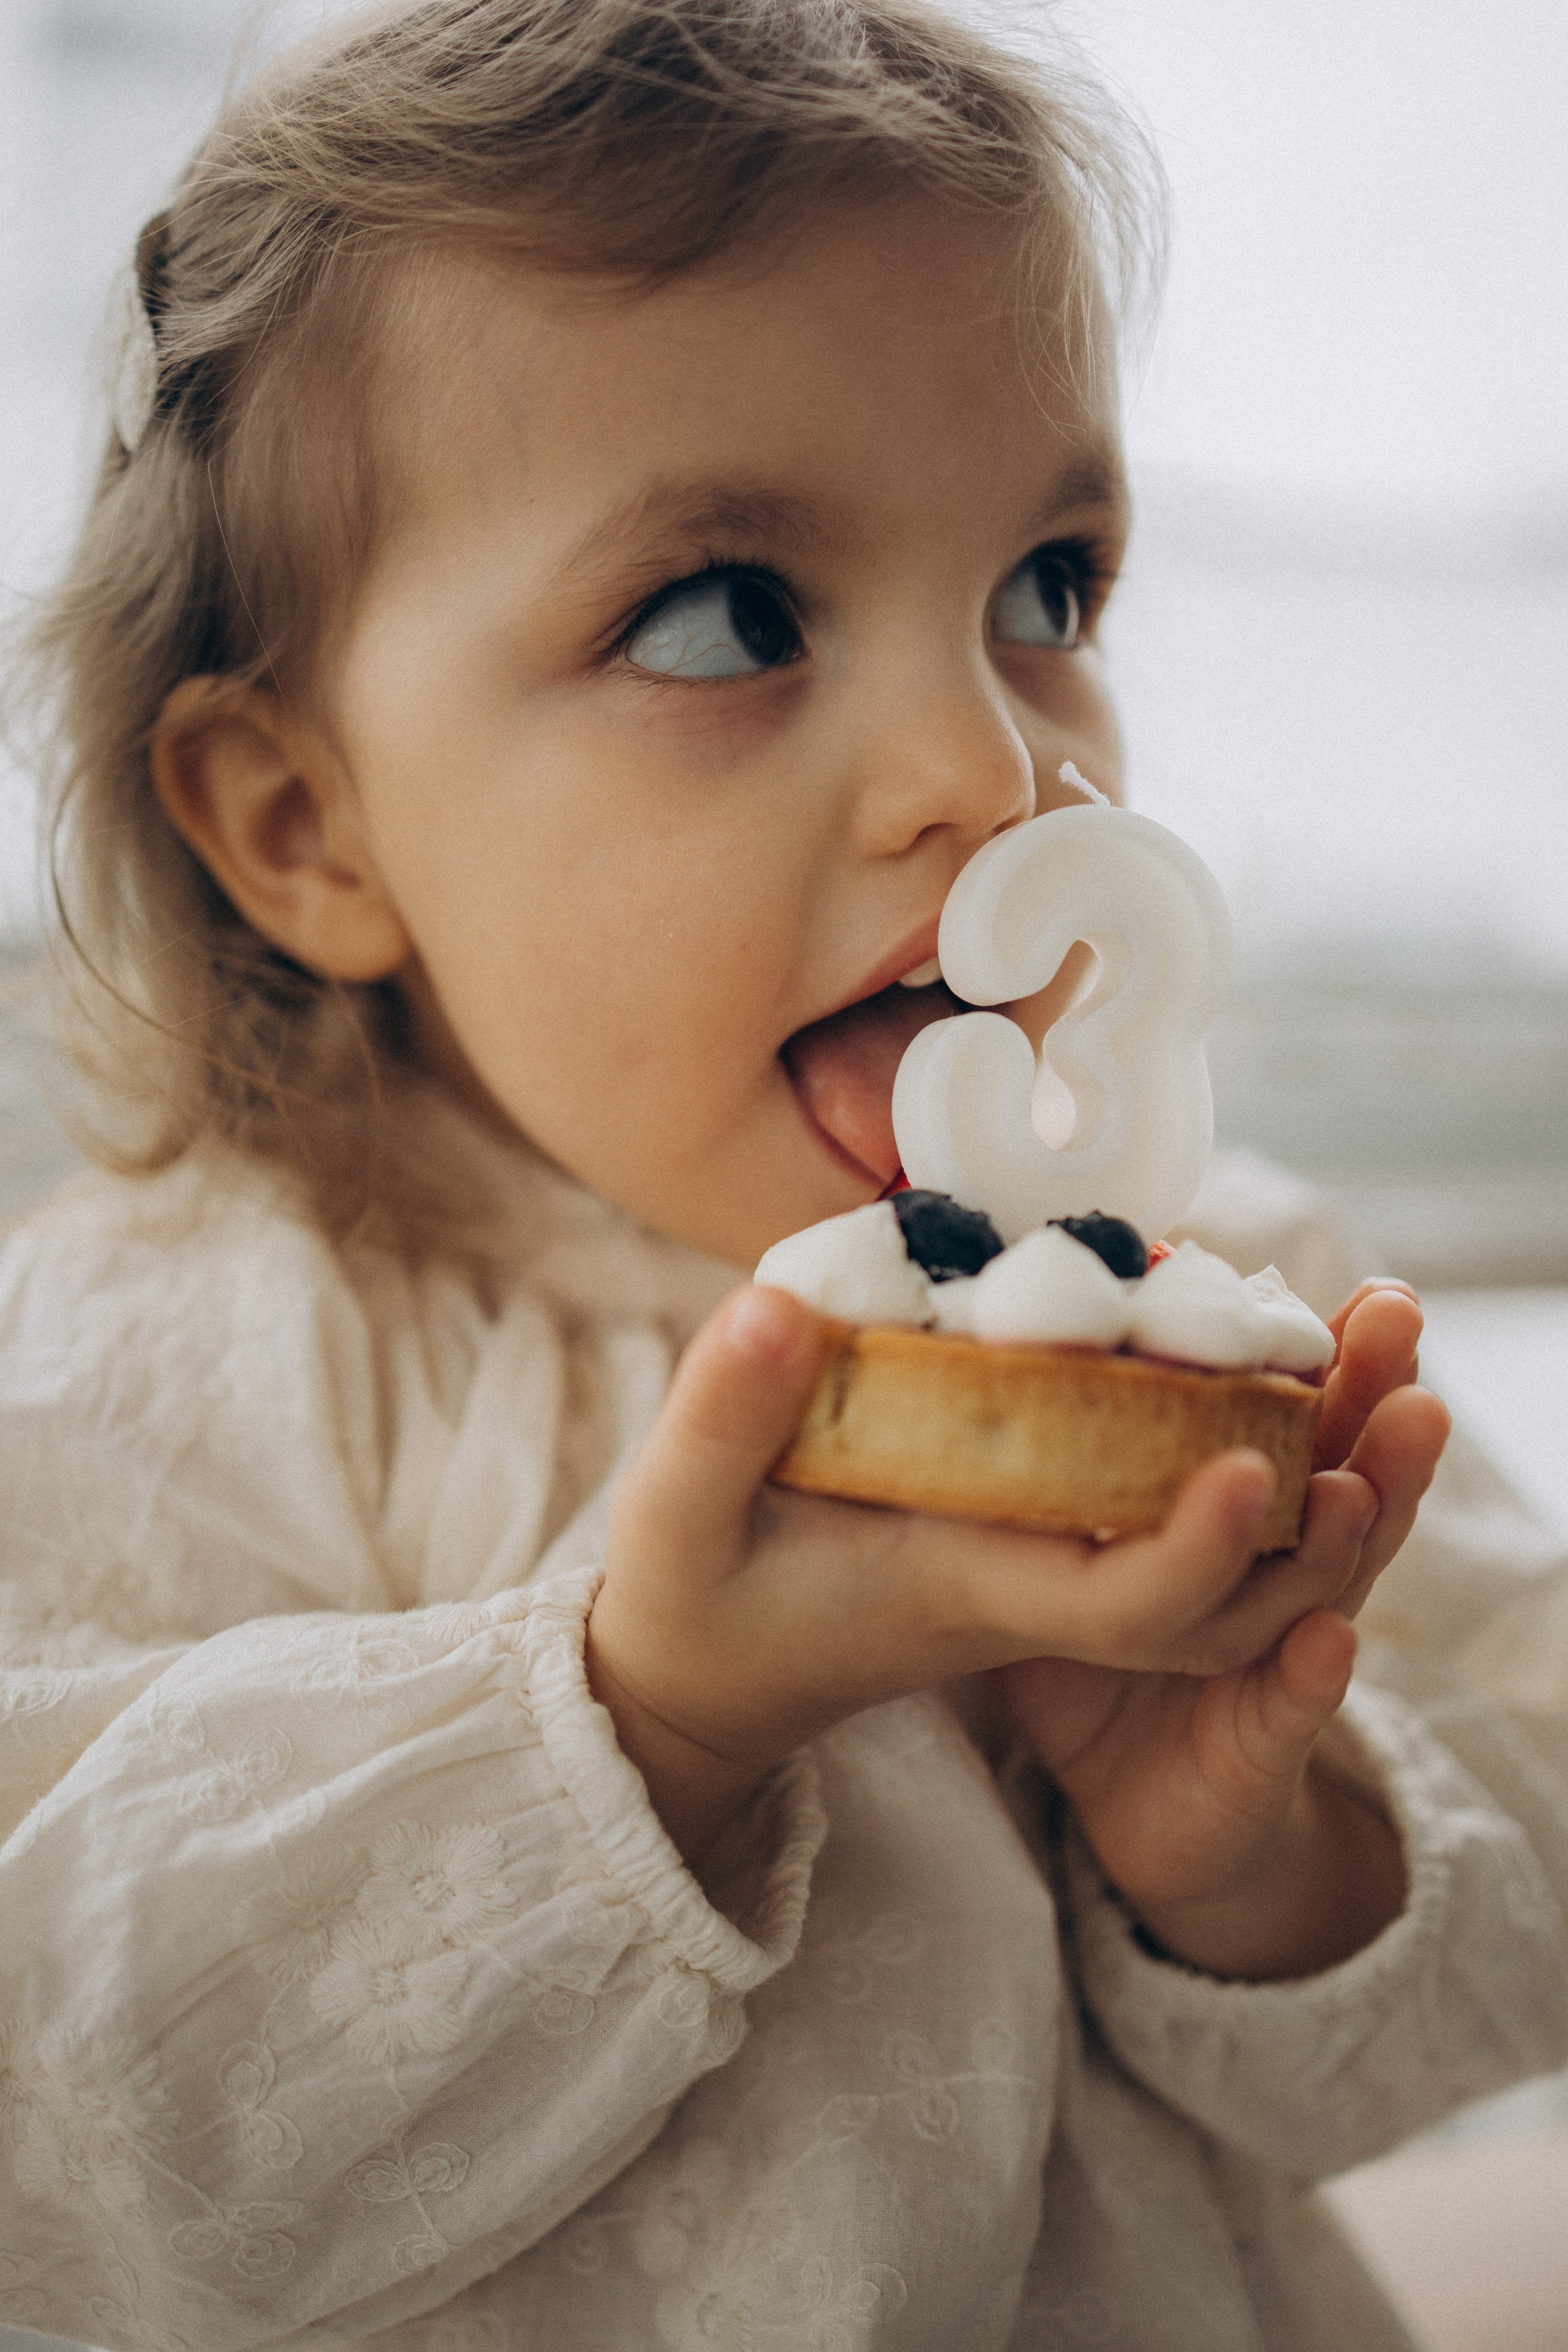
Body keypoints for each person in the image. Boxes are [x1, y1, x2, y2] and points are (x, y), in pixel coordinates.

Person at [2, 2, 1565, 2345]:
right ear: (306, 825)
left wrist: (1263, 1851)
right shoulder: (163, 1366)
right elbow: (75, 2152)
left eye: (1047, 586)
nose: (984, 759)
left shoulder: (1224, 1303)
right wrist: (653, 1723)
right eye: (726, 615)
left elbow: (1517, 1920)